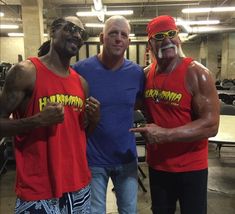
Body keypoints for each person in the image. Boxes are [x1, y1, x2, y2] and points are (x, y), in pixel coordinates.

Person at [0, 16, 100, 213]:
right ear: (52, 31)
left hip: (78, 186)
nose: (77, 35)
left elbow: (80, 135)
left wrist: (94, 121)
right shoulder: (26, 72)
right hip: (38, 189)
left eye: (82, 33)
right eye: (70, 28)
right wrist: (37, 121)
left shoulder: (81, 83)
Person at [130, 15, 220, 214]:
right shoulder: (145, 75)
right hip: (158, 166)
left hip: (191, 167)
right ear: (150, 43)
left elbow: (211, 125)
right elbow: (130, 105)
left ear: (178, 37)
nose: (168, 40)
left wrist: (166, 134)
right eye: (160, 36)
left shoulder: (197, 73)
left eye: (172, 34)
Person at [73, 15, 145, 214]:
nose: (118, 38)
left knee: (129, 210)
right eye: (113, 33)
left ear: (129, 41)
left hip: (127, 158)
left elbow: (138, 102)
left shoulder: (137, 73)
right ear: (102, 37)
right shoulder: (80, 71)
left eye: (124, 34)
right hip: (93, 159)